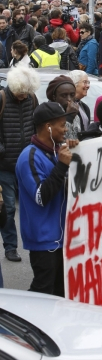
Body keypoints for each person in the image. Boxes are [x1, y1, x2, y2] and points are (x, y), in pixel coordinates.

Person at [16, 102, 78, 296]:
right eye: (62, 125)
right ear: (48, 127)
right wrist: (61, 166)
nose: (65, 129)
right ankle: (19, 320)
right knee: (43, 292)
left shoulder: (54, 151)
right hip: (43, 239)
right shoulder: (29, 157)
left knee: (60, 291)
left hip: (60, 238)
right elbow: (41, 197)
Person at [0, 66, 40, 262]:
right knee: (8, 208)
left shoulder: (32, 99)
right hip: (5, 165)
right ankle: (10, 246)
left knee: (32, 206)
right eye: (21, 93)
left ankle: (36, 245)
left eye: (27, 93)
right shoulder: (2, 98)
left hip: (27, 163)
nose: (24, 96)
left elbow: (37, 126)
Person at [46, 75, 81, 140]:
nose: (69, 99)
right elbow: (58, 141)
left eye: (72, 95)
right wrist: (69, 118)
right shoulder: (47, 115)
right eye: (64, 95)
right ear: (54, 97)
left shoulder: (75, 113)